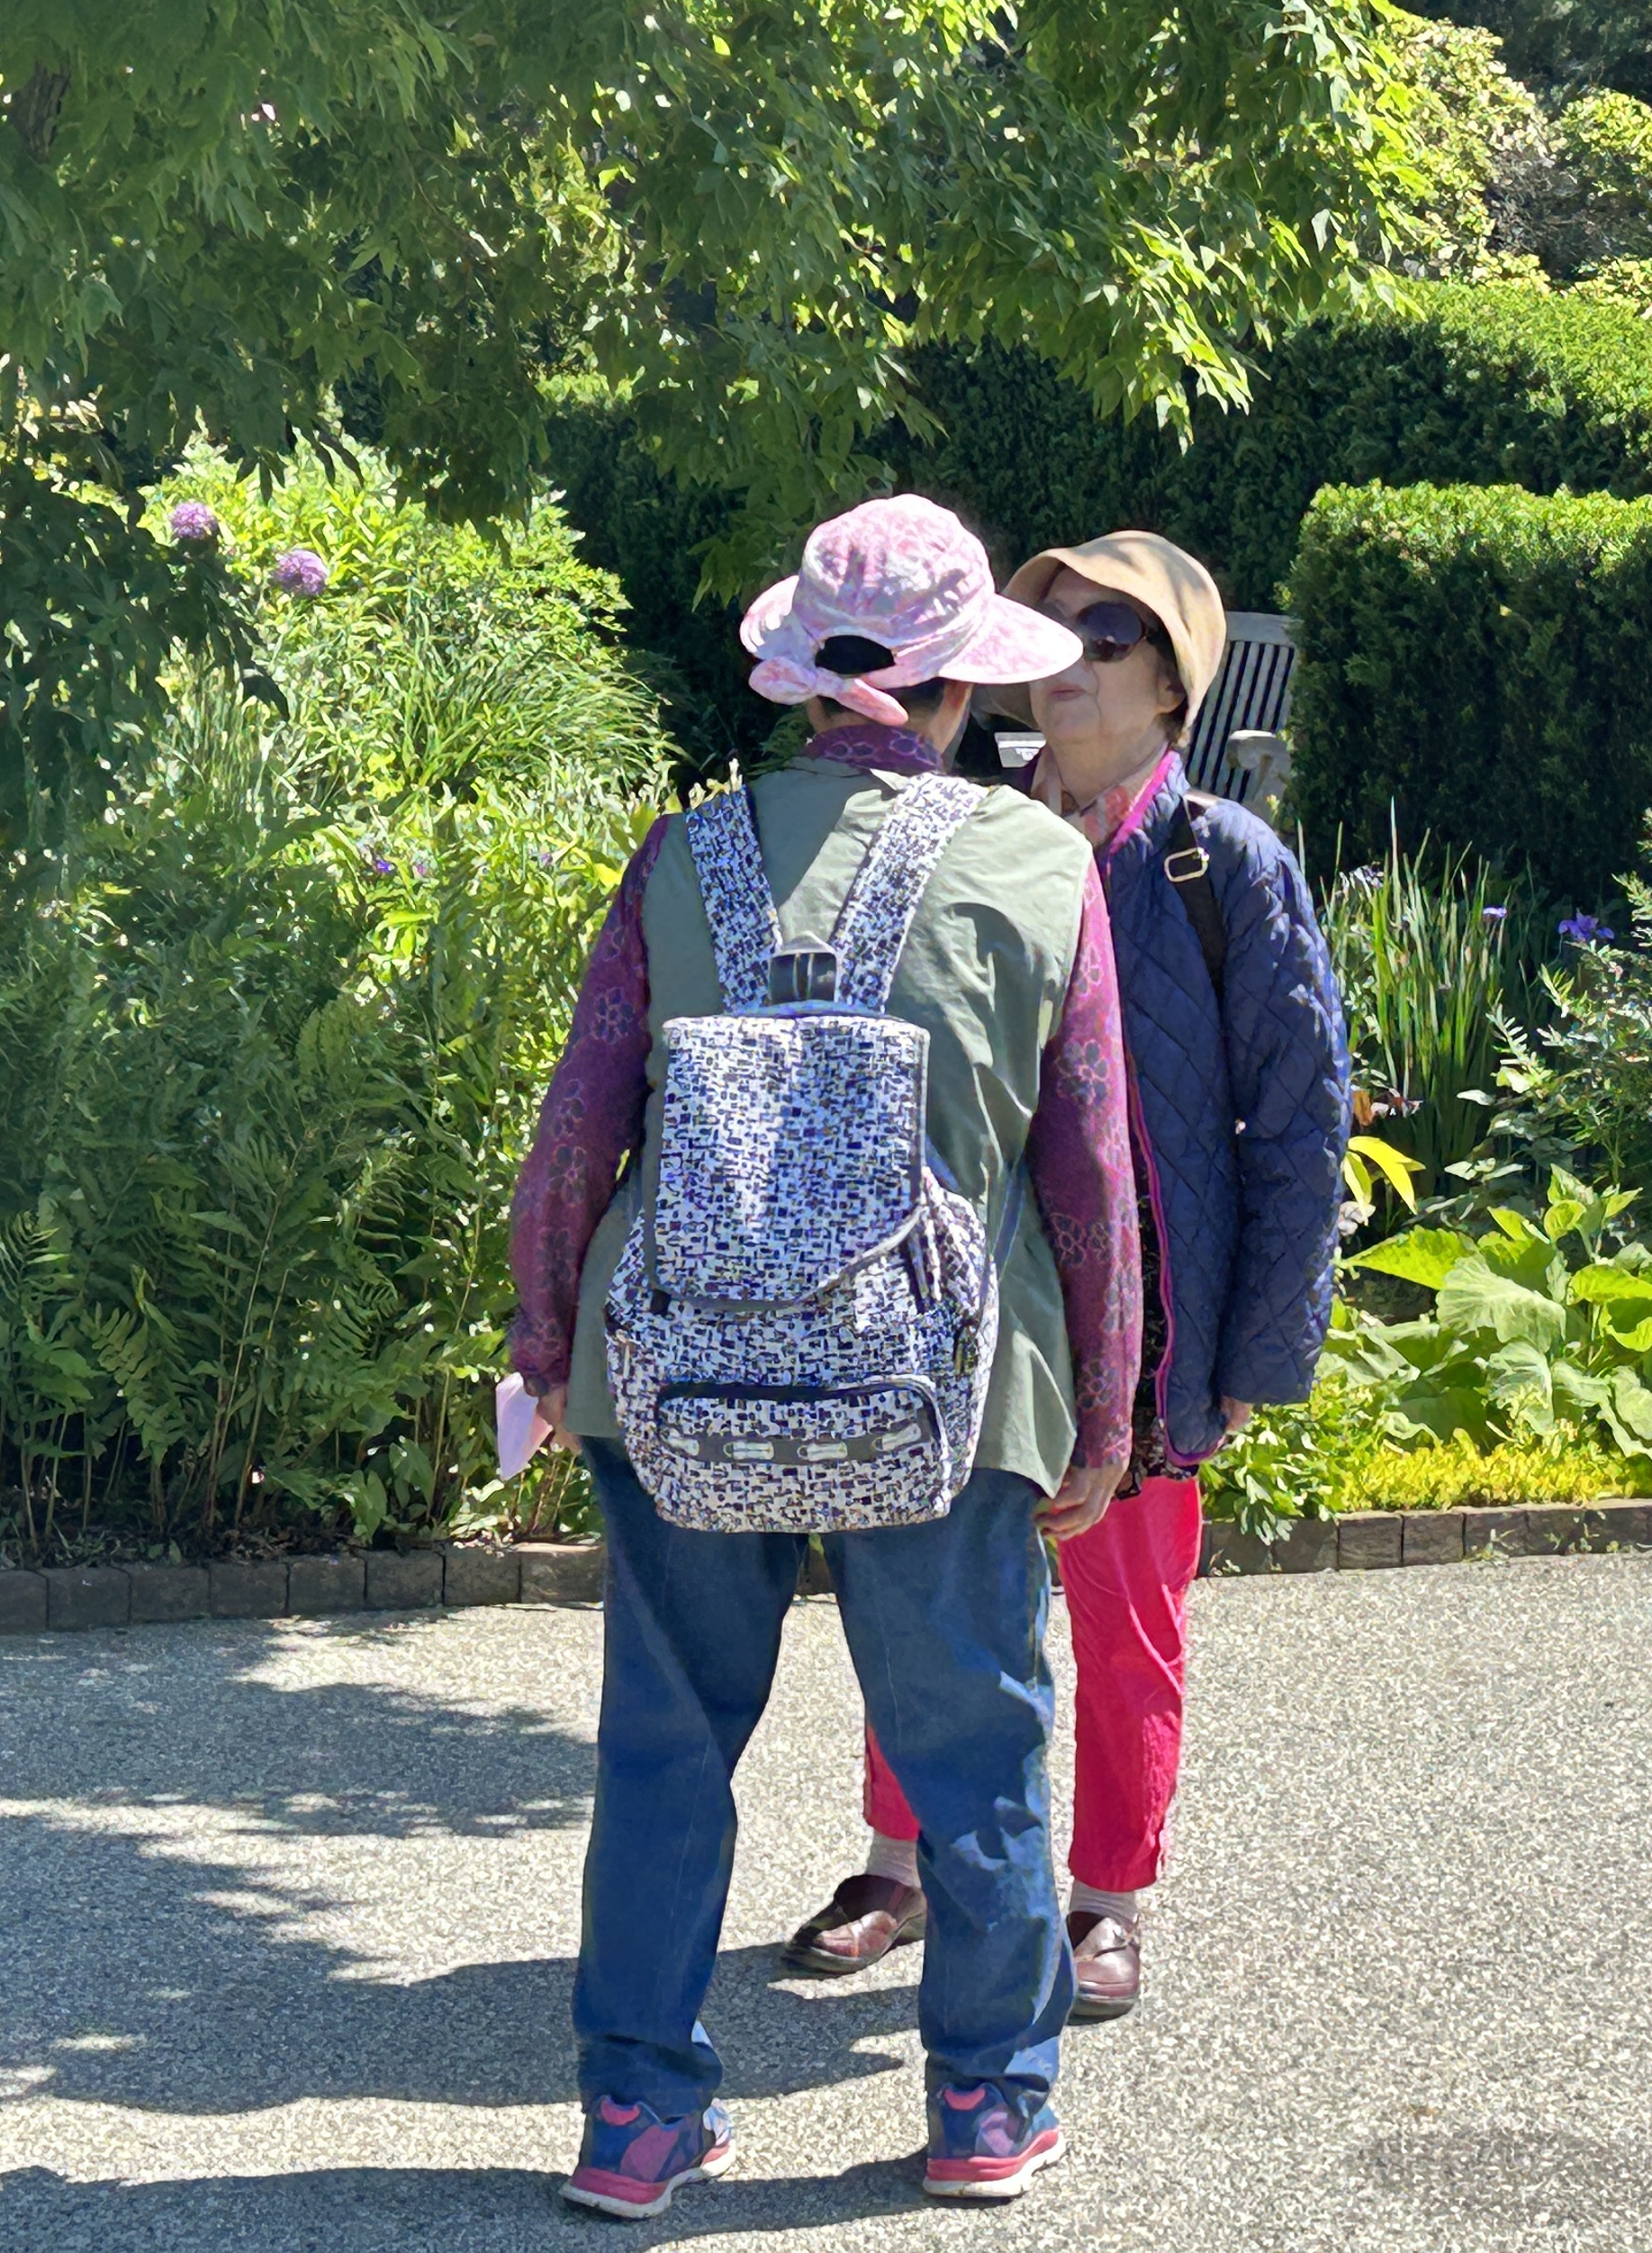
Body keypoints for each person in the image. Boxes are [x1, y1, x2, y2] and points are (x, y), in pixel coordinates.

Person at [505, 494, 1145, 2219]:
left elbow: (579, 1130)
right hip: (944, 1381)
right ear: (959, 686)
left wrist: (549, 1341)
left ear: (805, 678)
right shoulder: (1042, 870)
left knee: (665, 1745)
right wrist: (1103, 1408)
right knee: (977, 1748)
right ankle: (987, 2106)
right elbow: (1090, 1172)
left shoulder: (680, 862)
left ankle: (635, 2122)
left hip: (683, 1376)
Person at [785, 530, 1351, 2022]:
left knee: (1125, 1617)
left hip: (1149, 1322)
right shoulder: (958, 831)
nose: (1072, 660)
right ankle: (899, 1864)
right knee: (922, 1597)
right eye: (1051, 630)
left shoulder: (1224, 865)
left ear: (1173, 683)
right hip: (964, 1297)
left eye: (1110, 635)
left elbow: (1302, 1124)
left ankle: (1108, 1900)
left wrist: (1255, 1355)